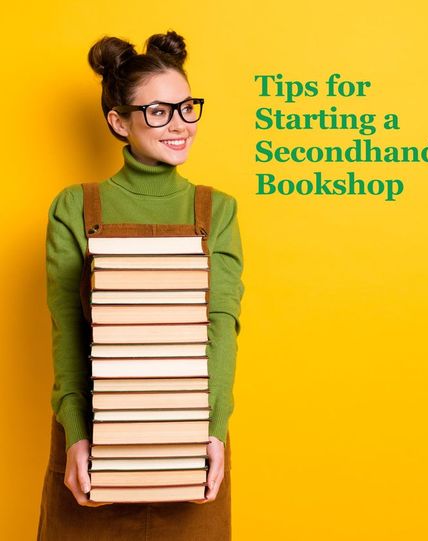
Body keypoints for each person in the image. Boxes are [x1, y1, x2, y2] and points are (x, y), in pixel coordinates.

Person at [37, 30, 244, 540]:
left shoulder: (217, 210)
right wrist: (77, 436)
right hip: (93, 443)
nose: (179, 125)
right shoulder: (74, 207)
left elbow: (222, 324)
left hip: (191, 441)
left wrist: (213, 432)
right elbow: (68, 330)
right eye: (157, 111)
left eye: (186, 107)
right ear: (118, 121)